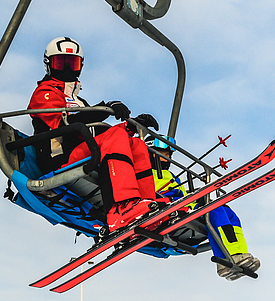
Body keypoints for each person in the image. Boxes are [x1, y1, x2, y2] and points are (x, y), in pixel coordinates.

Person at [28, 36, 161, 232]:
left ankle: (147, 202)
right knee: (114, 137)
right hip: (59, 156)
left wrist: (130, 127)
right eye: (60, 63)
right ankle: (121, 207)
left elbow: (96, 131)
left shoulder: (78, 101)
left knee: (136, 145)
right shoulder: (45, 93)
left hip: (84, 151)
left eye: (71, 64)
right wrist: (104, 109)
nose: (66, 69)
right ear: (48, 64)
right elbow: (67, 123)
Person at [150, 137, 260, 279]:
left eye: (167, 156)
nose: (165, 159)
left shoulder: (171, 176)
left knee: (228, 212)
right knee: (215, 210)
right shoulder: (145, 172)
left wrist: (196, 199)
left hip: (181, 208)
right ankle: (230, 256)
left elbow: (183, 196)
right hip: (165, 210)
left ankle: (239, 253)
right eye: (160, 154)